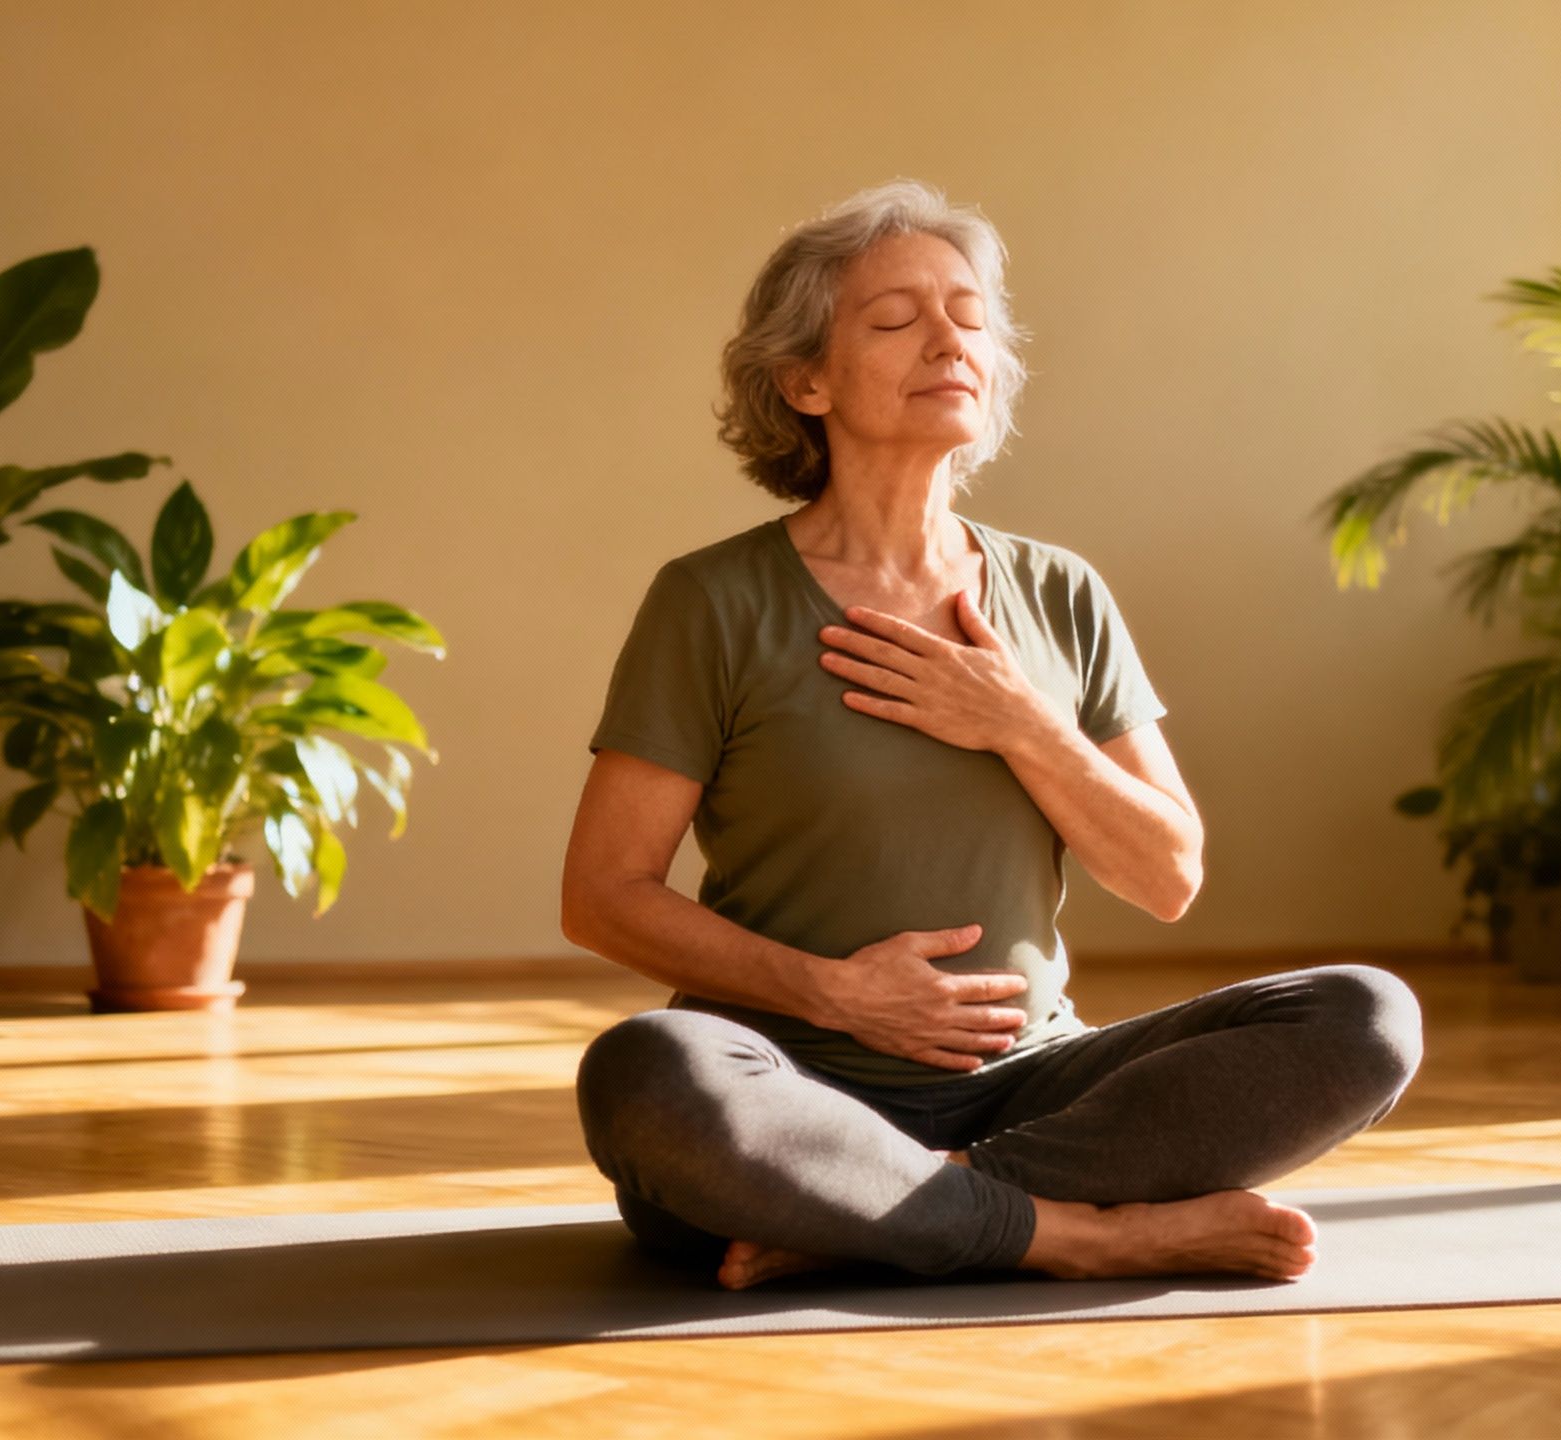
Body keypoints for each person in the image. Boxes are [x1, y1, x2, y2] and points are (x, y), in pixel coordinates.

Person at [562, 179, 1422, 1291]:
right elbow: (601, 894)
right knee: (649, 1071)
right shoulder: (713, 602)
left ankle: (884, 1207)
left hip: (1031, 1084)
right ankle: (1080, 1234)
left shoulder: (1058, 593)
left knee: (1364, 1016)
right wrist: (834, 993)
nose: (949, 340)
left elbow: (1166, 875)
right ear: (803, 380)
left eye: (969, 316)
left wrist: (1022, 723)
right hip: (791, 1082)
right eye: (894, 319)